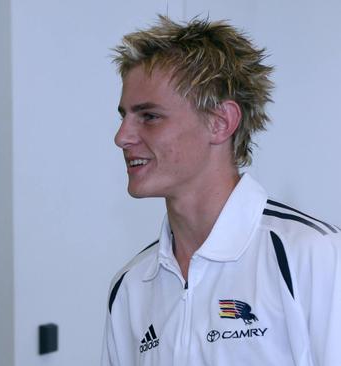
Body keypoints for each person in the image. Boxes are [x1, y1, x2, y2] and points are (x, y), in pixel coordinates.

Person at [102, 16, 341, 366]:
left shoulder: (313, 256)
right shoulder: (130, 286)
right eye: (124, 116)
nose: (122, 137)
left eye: (149, 116)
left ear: (221, 122)